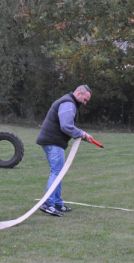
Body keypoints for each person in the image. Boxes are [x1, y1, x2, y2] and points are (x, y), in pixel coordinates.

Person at [36, 85, 92, 217]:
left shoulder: (69, 102)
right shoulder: (68, 103)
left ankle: (57, 203)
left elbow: (68, 126)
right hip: (52, 141)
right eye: (85, 99)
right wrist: (82, 133)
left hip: (53, 141)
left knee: (58, 172)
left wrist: (83, 136)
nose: (85, 103)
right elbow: (66, 126)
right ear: (78, 93)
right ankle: (48, 203)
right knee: (56, 172)